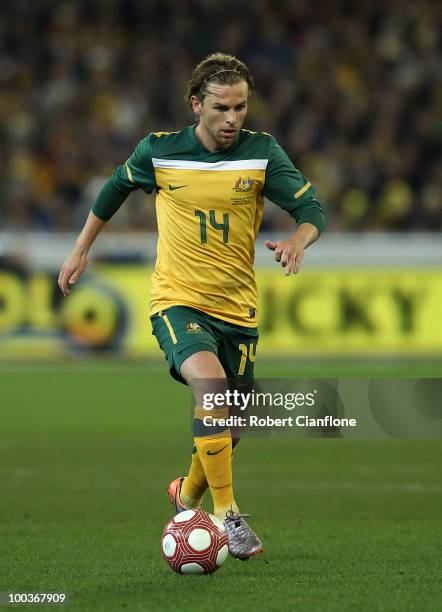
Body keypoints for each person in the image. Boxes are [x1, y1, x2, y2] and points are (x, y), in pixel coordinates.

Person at [58, 52, 325, 560]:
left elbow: (312, 209)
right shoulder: (160, 152)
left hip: (238, 310)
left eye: (241, 107)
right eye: (222, 107)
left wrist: (298, 240)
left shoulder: (261, 153)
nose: (232, 119)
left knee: (232, 425)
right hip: (177, 301)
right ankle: (229, 517)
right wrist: (80, 247)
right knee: (211, 386)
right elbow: (115, 188)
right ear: (196, 104)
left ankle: (189, 493)